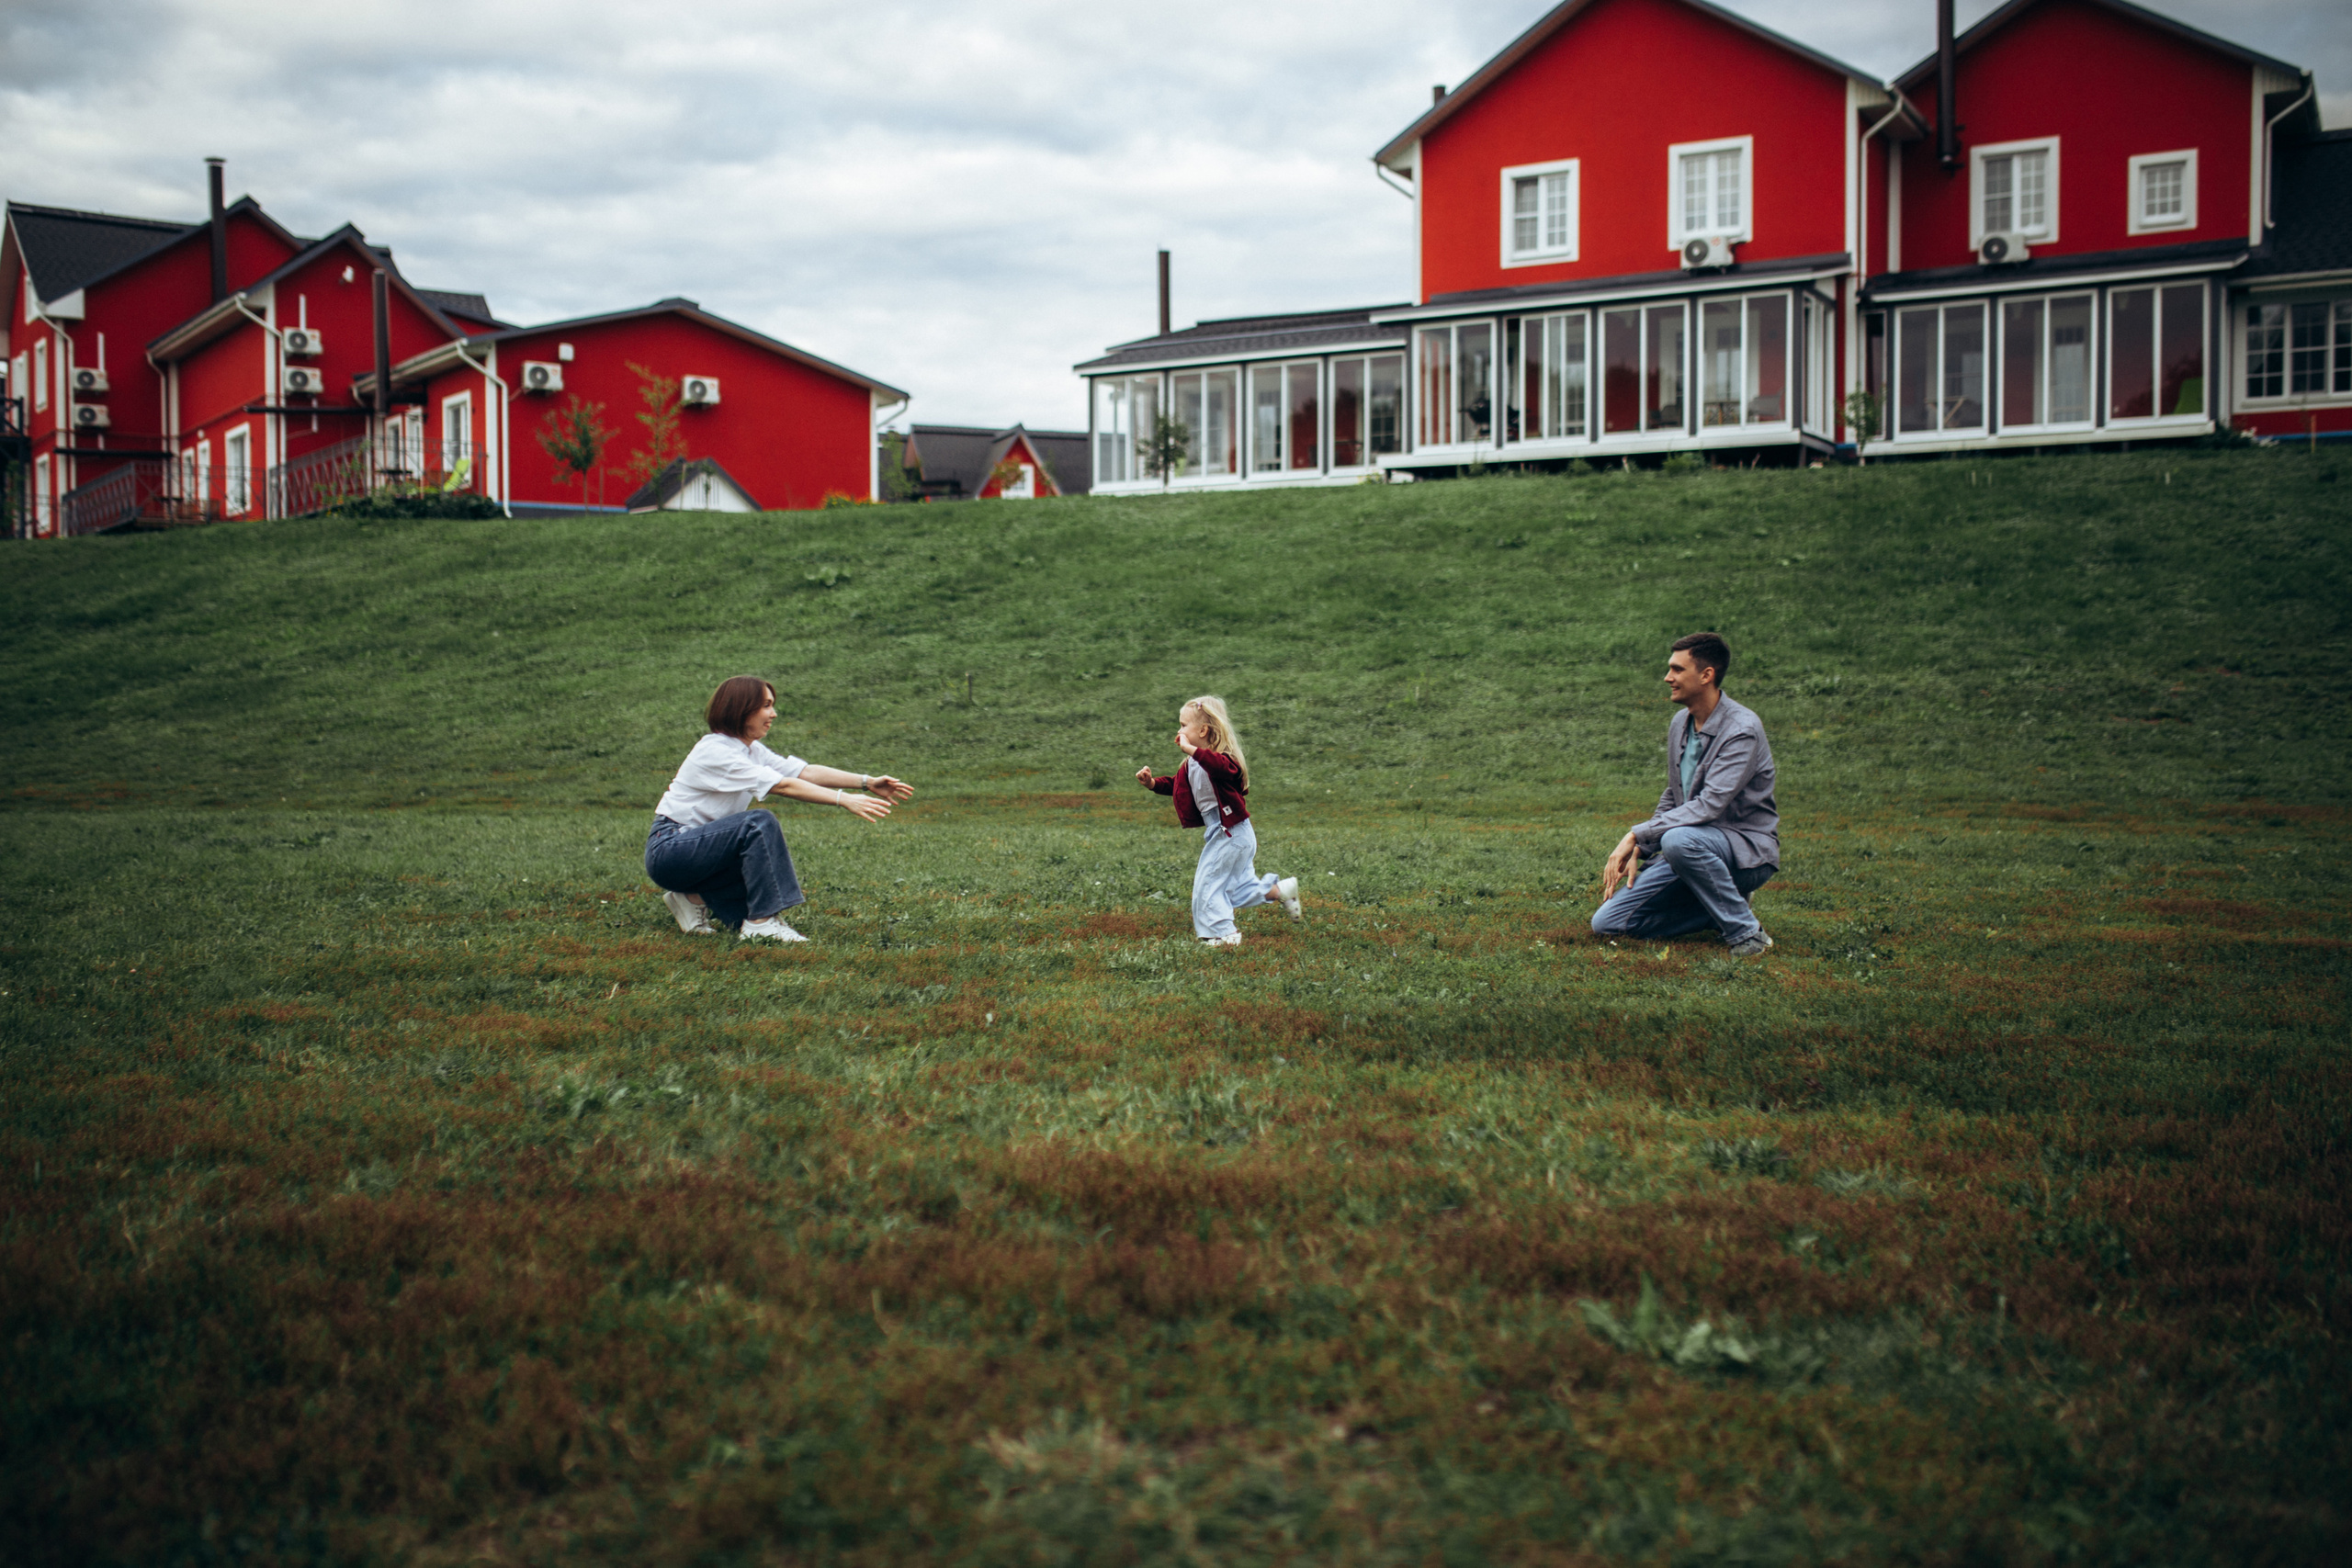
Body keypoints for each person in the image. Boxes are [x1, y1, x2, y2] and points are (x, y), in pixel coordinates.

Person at [644, 676, 912, 942]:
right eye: (765, 705)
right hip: (671, 849)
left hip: (701, 853)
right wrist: (844, 799)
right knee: (757, 823)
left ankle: (691, 897)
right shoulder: (716, 751)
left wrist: (866, 782)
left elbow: (804, 772)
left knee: (741, 909)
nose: (773, 713)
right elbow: (784, 786)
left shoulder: (750, 750)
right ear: (740, 707)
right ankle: (761, 923)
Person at [1592, 632, 1779, 956]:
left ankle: (1747, 935)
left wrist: (1637, 834)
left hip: (1744, 852)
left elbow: (1710, 805)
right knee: (1608, 923)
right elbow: (1674, 794)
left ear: (1706, 675)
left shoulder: (1741, 730)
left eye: (1677, 670)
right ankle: (1720, 907)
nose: (1668, 678)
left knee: (1678, 840)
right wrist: (1645, 846)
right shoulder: (1681, 722)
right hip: (1691, 847)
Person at [1136, 694, 1302, 947]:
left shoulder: (1221, 760)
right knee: (1234, 889)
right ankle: (1280, 891)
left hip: (1233, 833)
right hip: (1225, 833)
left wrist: (1192, 750)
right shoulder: (1191, 764)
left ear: (1203, 730)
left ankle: (1223, 935)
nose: (1179, 731)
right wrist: (1152, 783)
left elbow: (1221, 768)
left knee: (1209, 883)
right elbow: (1178, 785)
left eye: (1183, 725)